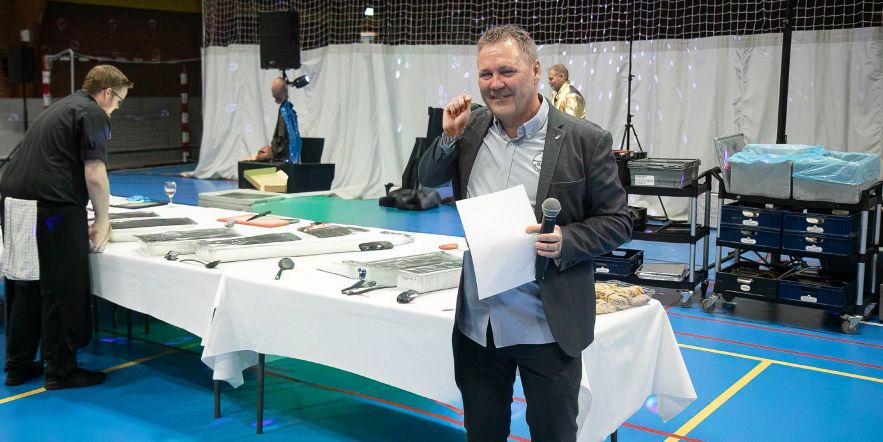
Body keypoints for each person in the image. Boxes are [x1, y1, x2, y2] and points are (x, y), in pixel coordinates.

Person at [418, 25, 631, 441]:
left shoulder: (585, 139)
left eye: (506, 71)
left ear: (535, 71)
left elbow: (617, 220)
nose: (495, 84)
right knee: (482, 432)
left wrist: (568, 240)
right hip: (480, 325)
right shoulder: (470, 129)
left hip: (546, 326)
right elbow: (427, 178)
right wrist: (448, 137)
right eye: (485, 74)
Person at [1, 64, 132, 390]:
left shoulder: (60, 107)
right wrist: (102, 219)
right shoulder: (95, 115)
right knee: (62, 285)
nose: (116, 108)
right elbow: (94, 173)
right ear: (107, 92)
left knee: (25, 283)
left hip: (15, 201)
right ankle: (61, 370)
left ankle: (18, 365)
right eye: (119, 101)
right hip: (52, 209)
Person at [264, 77, 303, 162]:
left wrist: (275, 148)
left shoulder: (284, 110)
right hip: (294, 155)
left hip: (285, 157)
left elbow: (282, 136)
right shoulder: (289, 109)